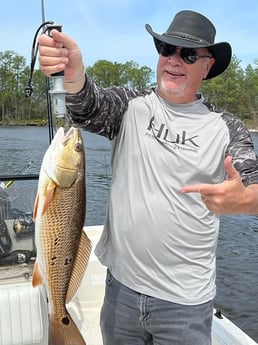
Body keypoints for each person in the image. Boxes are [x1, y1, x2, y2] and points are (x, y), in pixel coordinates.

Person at [38, 10, 258, 345]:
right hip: (120, 292)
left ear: (207, 65)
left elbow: (254, 187)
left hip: (185, 303)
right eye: (166, 48)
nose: (173, 60)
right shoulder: (131, 105)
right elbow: (88, 106)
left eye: (187, 54)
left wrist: (244, 199)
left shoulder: (226, 127)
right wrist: (73, 75)